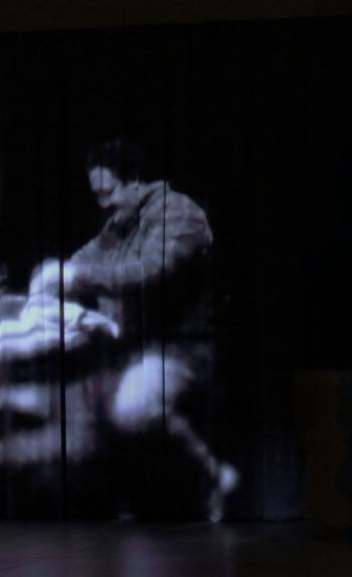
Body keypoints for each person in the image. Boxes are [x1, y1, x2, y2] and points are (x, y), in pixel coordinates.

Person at [29, 137, 238, 521]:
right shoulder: (123, 219)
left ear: (136, 180)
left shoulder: (181, 214)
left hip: (183, 347)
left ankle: (211, 476)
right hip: (135, 345)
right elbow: (88, 257)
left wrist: (75, 275)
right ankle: (125, 495)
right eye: (97, 194)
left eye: (107, 191)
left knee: (132, 408)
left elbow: (150, 271)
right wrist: (54, 278)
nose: (102, 203)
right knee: (68, 398)